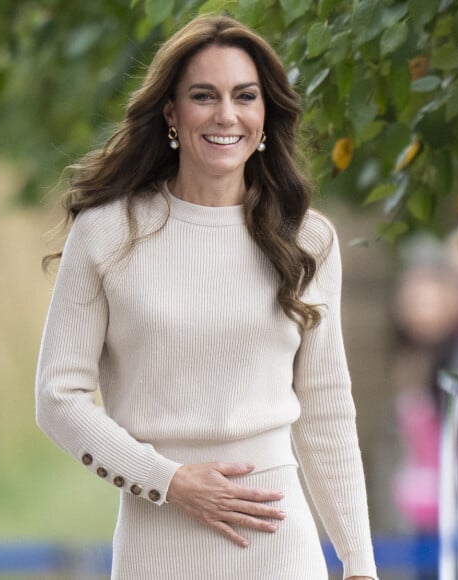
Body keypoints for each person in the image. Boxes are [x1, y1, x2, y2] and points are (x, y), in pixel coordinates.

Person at [35, 14, 378, 580]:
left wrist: (359, 563)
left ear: (265, 115)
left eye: (245, 96)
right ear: (171, 112)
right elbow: (57, 397)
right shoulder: (107, 233)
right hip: (158, 542)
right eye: (204, 96)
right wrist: (167, 480)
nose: (227, 115)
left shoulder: (306, 238)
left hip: (279, 549)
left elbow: (325, 408)